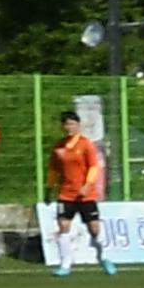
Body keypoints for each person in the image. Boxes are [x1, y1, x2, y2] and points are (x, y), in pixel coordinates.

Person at [46, 108, 108, 277]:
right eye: (66, 124)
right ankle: (65, 264)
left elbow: (94, 167)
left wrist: (88, 184)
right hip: (66, 194)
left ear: (78, 125)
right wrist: (48, 188)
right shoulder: (59, 147)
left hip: (85, 195)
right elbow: (53, 169)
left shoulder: (85, 144)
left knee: (94, 228)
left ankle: (104, 256)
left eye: (72, 124)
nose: (69, 127)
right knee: (63, 225)